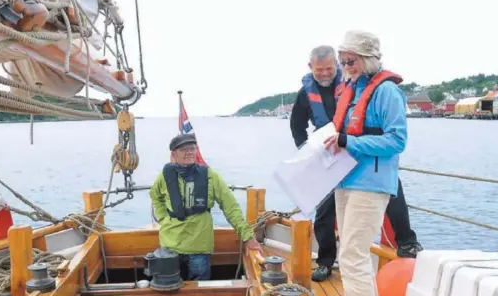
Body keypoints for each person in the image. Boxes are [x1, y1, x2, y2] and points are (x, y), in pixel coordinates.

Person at [289, 45, 422, 283]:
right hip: (330, 156)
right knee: (324, 213)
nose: (325, 74)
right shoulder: (305, 94)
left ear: (337, 66)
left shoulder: (352, 83)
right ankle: (325, 262)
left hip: (362, 155)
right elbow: (296, 125)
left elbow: (390, 133)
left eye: (330, 68)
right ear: (311, 68)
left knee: (392, 190)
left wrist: (349, 141)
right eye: (319, 70)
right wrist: (308, 153)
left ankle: (407, 241)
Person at [322, 30, 408, 296]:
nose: (346, 66)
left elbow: (397, 141)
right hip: (347, 181)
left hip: (370, 185)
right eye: (343, 60)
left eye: (351, 60)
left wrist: (349, 142)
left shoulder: (386, 92)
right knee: (352, 253)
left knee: (353, 256)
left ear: (368, 58)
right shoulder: (353, 88)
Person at [150, 133, 262, 280]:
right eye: (184, 149)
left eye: (192, 148)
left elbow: (230, 207)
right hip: (170, 245)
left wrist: (248, 237)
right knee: (169, 289)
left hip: (199, 247)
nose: (189, 152)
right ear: (173, 154)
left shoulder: (210, 176)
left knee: (199, 292)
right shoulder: (164, 177)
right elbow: (155, 196)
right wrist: (164, 217)